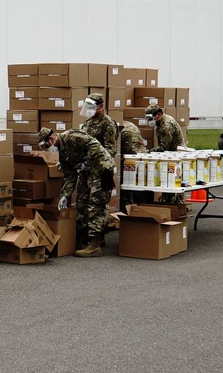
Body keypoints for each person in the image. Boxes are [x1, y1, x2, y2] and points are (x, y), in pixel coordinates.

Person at [38, 126, 114, 258]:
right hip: (87, 172)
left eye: (46, 145)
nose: (47, 148)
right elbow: (69, 176)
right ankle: (86, 239)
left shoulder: (71, 137)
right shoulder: (63, 154)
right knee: (81, 202)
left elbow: (94, 145)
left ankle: (95, 245)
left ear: (51, 138)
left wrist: (86, 162)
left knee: (96, 205)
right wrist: (65, 196)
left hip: (101, 168)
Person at [145, 104, 185, 204]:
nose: (149, 121)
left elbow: (163, 148)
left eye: (151, 118)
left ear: (158, 114)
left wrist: (146, 152)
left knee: (173, 185)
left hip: (175, 156)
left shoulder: (166, 126)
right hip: (171, 155)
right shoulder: (161, 122)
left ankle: (175, 206)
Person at [119, 119, 149, 207]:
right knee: (138, 186)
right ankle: (141, 207)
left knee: (127, 184)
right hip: (141, 156)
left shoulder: (124, 129)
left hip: (131, 158)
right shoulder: (129, 125)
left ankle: (127, 208)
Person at [79, 93, 117, 158]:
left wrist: (96, 158)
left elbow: (111, 149)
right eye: (88, 107)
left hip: (99, 162)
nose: (89, 109)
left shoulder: (108, 124)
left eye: (92, 107)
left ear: (101, 106)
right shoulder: (88, 122)